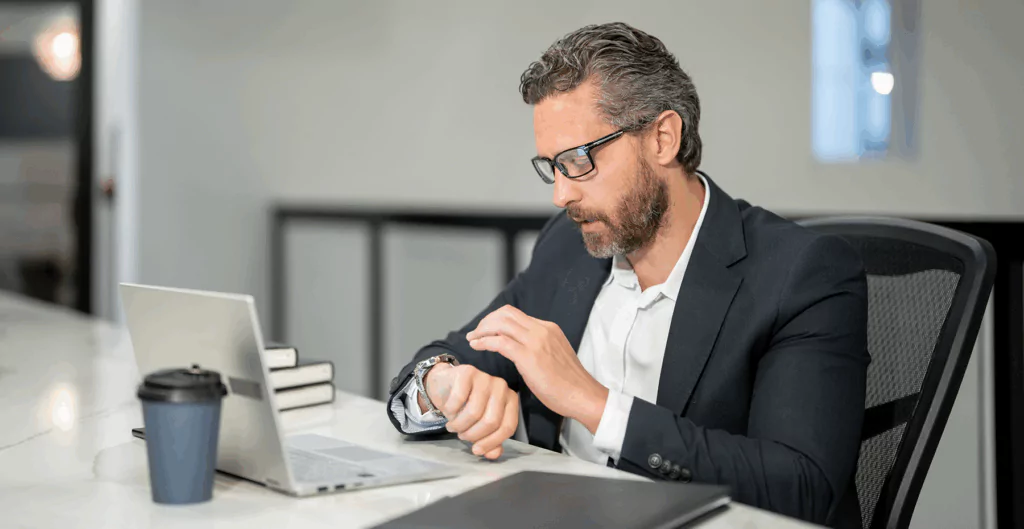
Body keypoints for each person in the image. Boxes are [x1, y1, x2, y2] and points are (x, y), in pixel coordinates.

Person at [384, 22, 868, 528]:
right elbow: (448, 354)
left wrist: (591, 402)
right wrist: (444, 384)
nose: (561, 195)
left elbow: (801, 488)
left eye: (578, 160)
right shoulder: (567, 247)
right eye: (552, 166)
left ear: (662, 138)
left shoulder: (801, 273)